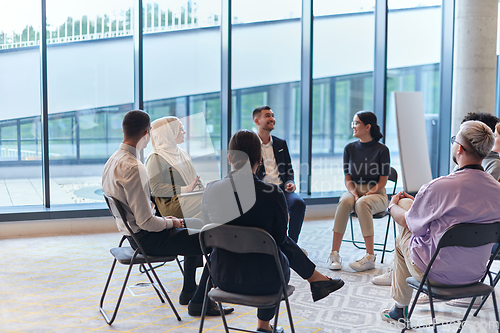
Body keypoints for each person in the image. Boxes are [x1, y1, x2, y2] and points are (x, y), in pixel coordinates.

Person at [201, 129, 345, 333]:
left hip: (221, 277)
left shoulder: (211, 190)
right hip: (267, 282)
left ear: (229, 157)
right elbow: (279, 239)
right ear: (259, 159)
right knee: (273, 251)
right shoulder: (272, 194)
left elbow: (208, 236)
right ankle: (265, 324)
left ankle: (315, 279)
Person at [101, 110, 233, 317]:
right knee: (217, 240)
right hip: (149, 239)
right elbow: (146, 222)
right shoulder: (135, 167)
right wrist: (171, 223)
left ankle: (189, 289)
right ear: (147, 132)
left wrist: (171, 221)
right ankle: (201, 302)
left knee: (197, 224)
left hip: (133, 236)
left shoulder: (113, 160)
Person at [380, 120, 500, 325]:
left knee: (403, 236)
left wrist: (392, 207)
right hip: (475, 274)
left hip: (434, 274)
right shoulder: (496, 189)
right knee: (416, 210)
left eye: (454, 140)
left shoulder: (439, 187)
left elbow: (411, 225)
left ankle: (399, 311)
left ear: (460, 148)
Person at [328, 110, 390, 272]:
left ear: (367, 126)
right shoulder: (349, 148)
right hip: (355, 189)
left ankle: (370, 256)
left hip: (377, 193)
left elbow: (382, 182)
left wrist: (367, 194)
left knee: (363, 203)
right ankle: (334, 254)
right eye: (353, 123)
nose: (353, 126)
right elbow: (348, 178)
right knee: (345, 201)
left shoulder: (382, 150)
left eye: (356, 123)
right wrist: (355, 194)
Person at [253, 106, 306, 244]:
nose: (272, 119)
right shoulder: (251, 143)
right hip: (261, 191)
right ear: (257, 121)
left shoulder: (280, 143)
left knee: (298, 203)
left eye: (272, 115)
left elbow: (288, 169)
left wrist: (290, 182)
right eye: (267, 116)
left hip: (281, 190)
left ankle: (291, 245)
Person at [145, 116, 203, 219]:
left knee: (214, 197)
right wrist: (186, 189)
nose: (184, 132)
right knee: (210, 201)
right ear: (169, 134)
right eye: (181, 129)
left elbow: (195, 179)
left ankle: (208, 232)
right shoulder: (156, 158)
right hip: (171, 203)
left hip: (187, 197)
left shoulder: (181, 153)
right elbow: (156, 188)